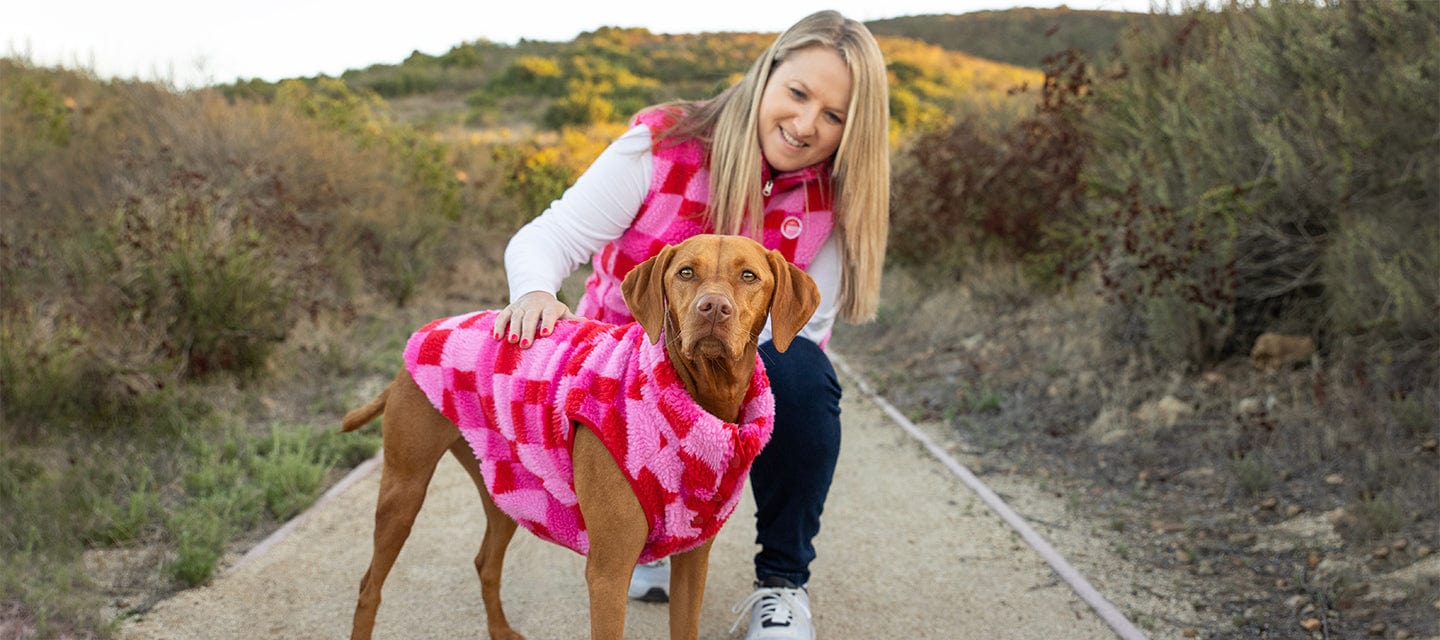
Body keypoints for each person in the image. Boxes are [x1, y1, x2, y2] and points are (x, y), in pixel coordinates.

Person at [490, 10, 889, 639]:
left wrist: (727, 339)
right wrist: (536, 291)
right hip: (620, 362)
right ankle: (642, 532)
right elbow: (552, 236)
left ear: (852, 130)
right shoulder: (663, 146)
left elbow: (802, 334)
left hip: (725, 362)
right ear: (766, 75)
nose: (807, 123)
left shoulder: (832, 201)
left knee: (805, 377)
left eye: (835, 116)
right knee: (650, 391)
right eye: (798, 93)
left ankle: (780, 586)